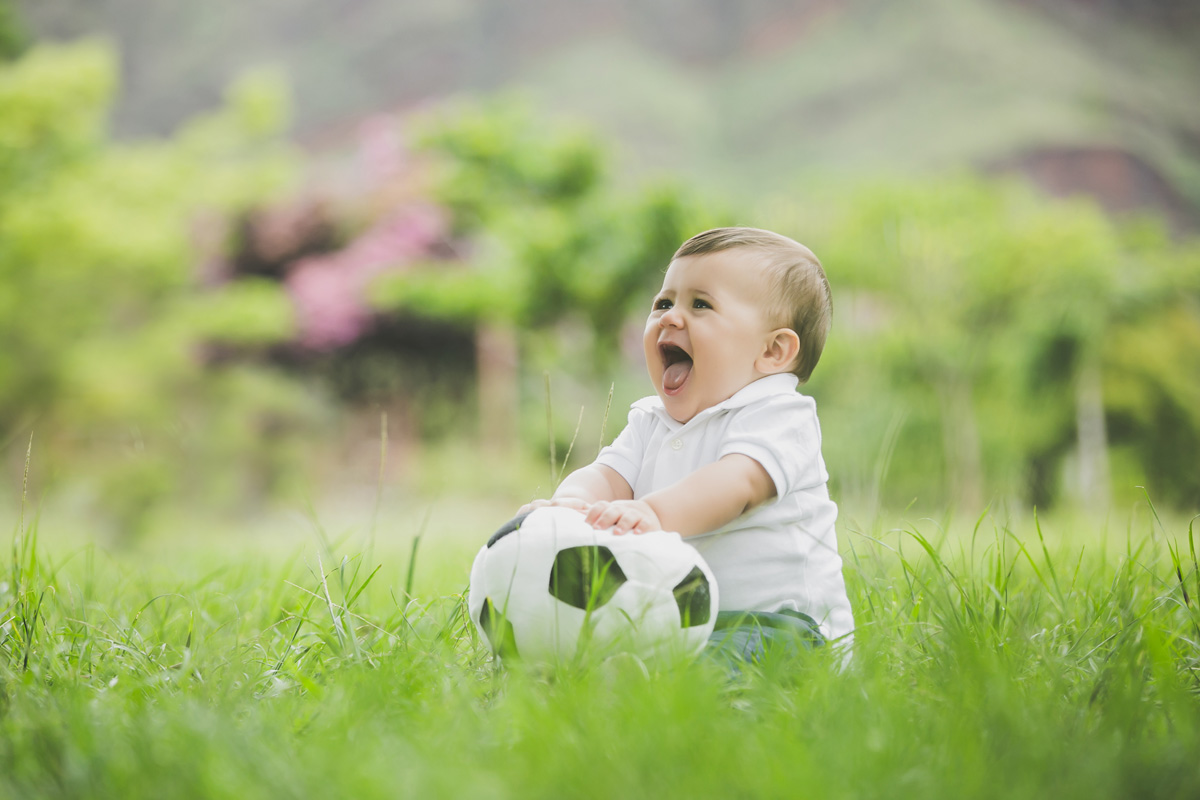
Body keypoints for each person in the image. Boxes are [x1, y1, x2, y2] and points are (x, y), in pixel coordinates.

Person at [521, 227, 854, 660]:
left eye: (700, 304)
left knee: (710, 667)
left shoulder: (778, 414)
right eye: (663, 302)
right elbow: (608, 476)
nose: (670, 317)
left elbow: (738, 485)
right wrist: (569, 507)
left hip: (784, 626)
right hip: (688, 623)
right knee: (633, 653)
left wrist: (653, 513)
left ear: (773, 351)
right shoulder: (649, 421)